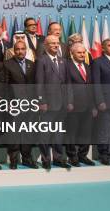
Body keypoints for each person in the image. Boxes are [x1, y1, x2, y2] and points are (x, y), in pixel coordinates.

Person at [35, 35, 72, 169]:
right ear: (46, 45)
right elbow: (39, 83)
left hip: (62, 104)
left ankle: (58, 158)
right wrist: (41, 101)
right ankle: (46, 159)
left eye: (57, 43)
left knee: (58, 133)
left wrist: (69, 101)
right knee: (45, 133)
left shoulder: (63, 61)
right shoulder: (41, 60)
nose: (56, 45)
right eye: (52, 44)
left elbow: (68, 83)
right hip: (48, 104)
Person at [3, 40, 38, 169]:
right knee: (14, 132)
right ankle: (13, 159)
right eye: (17, 49)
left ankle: (27, 158)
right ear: (13, 50)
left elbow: (35, 85)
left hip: (29, 104)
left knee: (27, 132)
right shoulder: (7, 64)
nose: (20, 51)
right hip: (14, 104)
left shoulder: (31, 64)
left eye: (22, 49)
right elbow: (4, 86)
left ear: (26, 50)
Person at [65, 43, 96, 167]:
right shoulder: (66, 66)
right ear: (72, 53)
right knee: (71, 133)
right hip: (73, 105)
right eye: (79, 52)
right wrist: (69, 102)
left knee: (86, 132)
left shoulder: (88, 67)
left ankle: (83, 155)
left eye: (83, 52)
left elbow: (92, 88)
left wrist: (94, 106)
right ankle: (72, 156)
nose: (82, 54)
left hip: (88, 105)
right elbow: (66, 86)